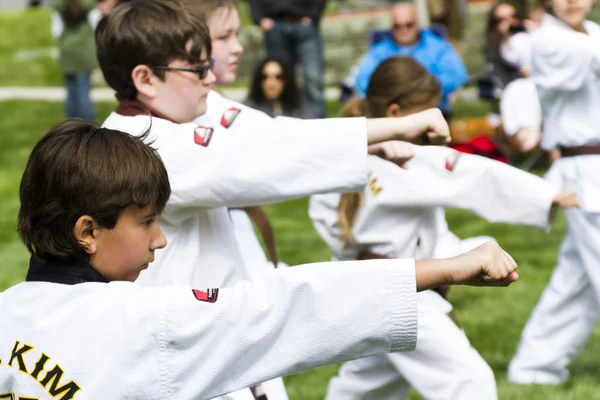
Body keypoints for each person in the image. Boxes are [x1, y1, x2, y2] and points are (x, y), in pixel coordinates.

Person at [0, 118, 521, 399]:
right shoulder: (143, 323)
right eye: (146, 222)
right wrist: (448, 267)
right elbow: (283, 307)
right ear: (88, 232)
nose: (160, 241)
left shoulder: (7, 315)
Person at [309, 56, 578, 400]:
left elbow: (334, 227)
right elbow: (473, 174)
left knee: (364, 388)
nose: (436, 130)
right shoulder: (406, 160)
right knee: (468, 384)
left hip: (366, 294)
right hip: (398, 296)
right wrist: (545, 195)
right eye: (427, 117)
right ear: (394, 114)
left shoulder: (340, 160)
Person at [507, 0, 600, 385]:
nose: (572, 1)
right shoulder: (546, 41)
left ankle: (534, 366)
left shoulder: (593, 33)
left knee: (576, 281)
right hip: (584, 170)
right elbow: (581, 63)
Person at [353, 2, 468, 118]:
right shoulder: (379, 51)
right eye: (397, 26)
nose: (404, 30)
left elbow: (457, 75)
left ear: (417, 23)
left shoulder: (438, 47)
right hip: (391, 115)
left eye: (409, 25)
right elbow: (362, 81)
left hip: (431, 110)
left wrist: (420, 93)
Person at [247, 0, 327, 118]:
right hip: (275, 24)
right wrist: (259, 18)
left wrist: (313, 15)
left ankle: (317, 127)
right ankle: (282, 123)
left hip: (305, 24)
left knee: (313, 80)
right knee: (279, 79)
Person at [51, 0, 101, 122]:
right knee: (83, 88)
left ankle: (71, 122)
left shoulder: (59, 4)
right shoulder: (87, 4)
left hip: (67, 49)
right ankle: (87, 123)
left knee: (70, 89)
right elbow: (96, 23)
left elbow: (56, 30)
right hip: (84, 49)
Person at [244, 58, 308, 118]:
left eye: (278, 77)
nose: (271, 83)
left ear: (286, 80)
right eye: (265, 77)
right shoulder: (250, 108)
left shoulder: (298, 102)